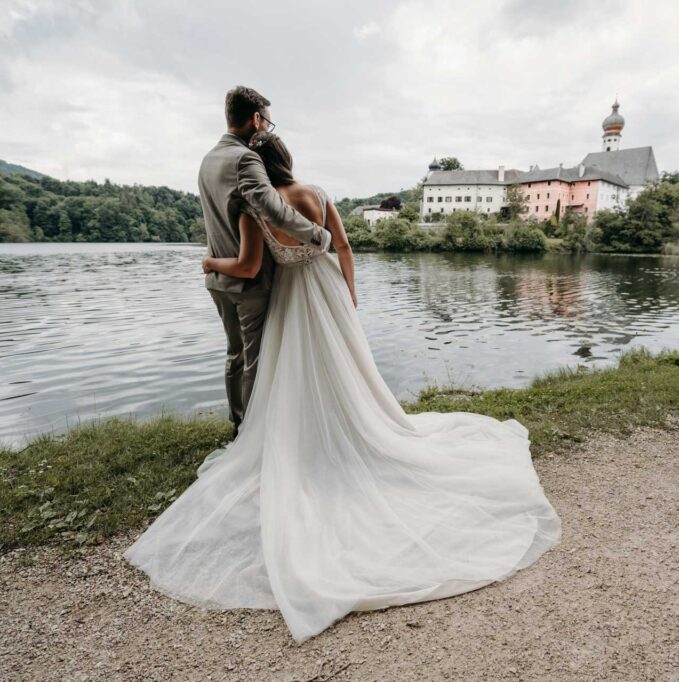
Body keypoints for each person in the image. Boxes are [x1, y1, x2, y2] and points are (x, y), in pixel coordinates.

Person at [123, 132, 561, 643]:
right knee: (347, 372)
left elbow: (249, 264)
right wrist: (349, 296)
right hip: (325, 292)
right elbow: (345, 247)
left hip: (287, 300)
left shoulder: (251, 210)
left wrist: (213, 263)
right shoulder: (315, 194)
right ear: (288, 161)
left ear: (257, 170)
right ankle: (352, 431)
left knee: (290, 374)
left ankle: (304, 442)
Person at [198, 86, 332, 430]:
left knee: (234, 354)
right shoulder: (245, 158)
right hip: (248, 281)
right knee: (254, 360)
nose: (267, 130)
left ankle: (238, 423)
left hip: (218, 279)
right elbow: (273, 209)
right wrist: (316, 234)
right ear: (256, 118)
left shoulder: (207, 160)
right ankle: (256, 433)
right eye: (267, 124)